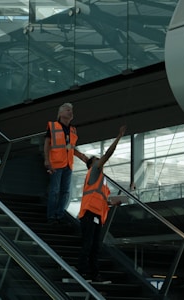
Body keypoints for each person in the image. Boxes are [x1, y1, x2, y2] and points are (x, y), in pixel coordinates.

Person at [77, 125, 126, 283]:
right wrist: (118, 137)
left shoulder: (101, 181)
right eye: (98, 160)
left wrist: (113, 203)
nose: (101, 161)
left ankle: (93, 273)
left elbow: (103, 200)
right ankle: (82, 272)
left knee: (95, 246)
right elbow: (108, 154)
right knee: (88, 244)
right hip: (89, 213)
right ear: (93, 164)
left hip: (97, 215)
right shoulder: (95, 170)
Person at [44, 102, 88, 224]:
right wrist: (47, 160)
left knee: (66, 191)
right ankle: (52, 216)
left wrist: (82, 157)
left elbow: (71, 148)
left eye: (71, 110)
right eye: (67, 110)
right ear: (60, 113)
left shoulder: (73, 130)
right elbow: (47, 144)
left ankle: (60, 214)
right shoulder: (53, 126)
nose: (70, 112)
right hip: (56, 164)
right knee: (55, 190)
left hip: (68, 164)